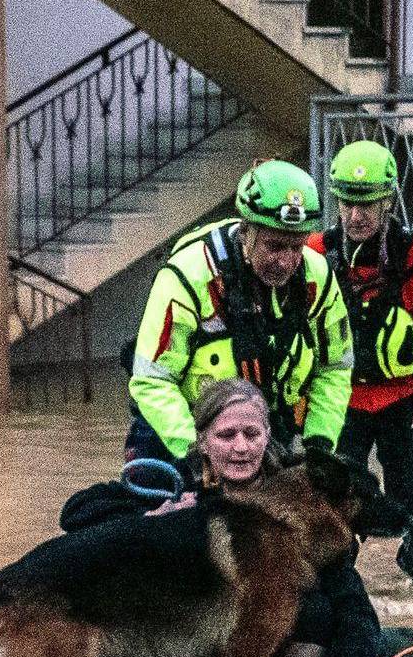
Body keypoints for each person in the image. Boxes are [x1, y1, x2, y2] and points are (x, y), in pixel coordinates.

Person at [64, 379, 383, 657]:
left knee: (318, 612)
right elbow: (76, 513)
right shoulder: (175, 483)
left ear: (267, 436)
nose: (241, 447)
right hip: (183, 644)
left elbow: (350, 598)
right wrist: (152, 518)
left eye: (251, 434)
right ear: (202, 440)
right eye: (226, 436)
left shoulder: (301, 500)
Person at [307, 140, 413, 580]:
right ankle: (336, 588)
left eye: (367, 203)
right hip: (337, 399)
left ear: (388, 201)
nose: (356, 214)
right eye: (347, 201)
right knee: (331, 503)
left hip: (407, 401)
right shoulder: (314, 255)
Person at [126, 159, 353, 467]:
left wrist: (319, 447)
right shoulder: (190, 276)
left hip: (261, 429)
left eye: (296, 247)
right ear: (246, 232)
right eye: (274, 247)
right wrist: (197, 453)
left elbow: (334, 368)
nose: (286, 262)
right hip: (176, 431)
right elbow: (152, 380)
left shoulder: (317, 277)